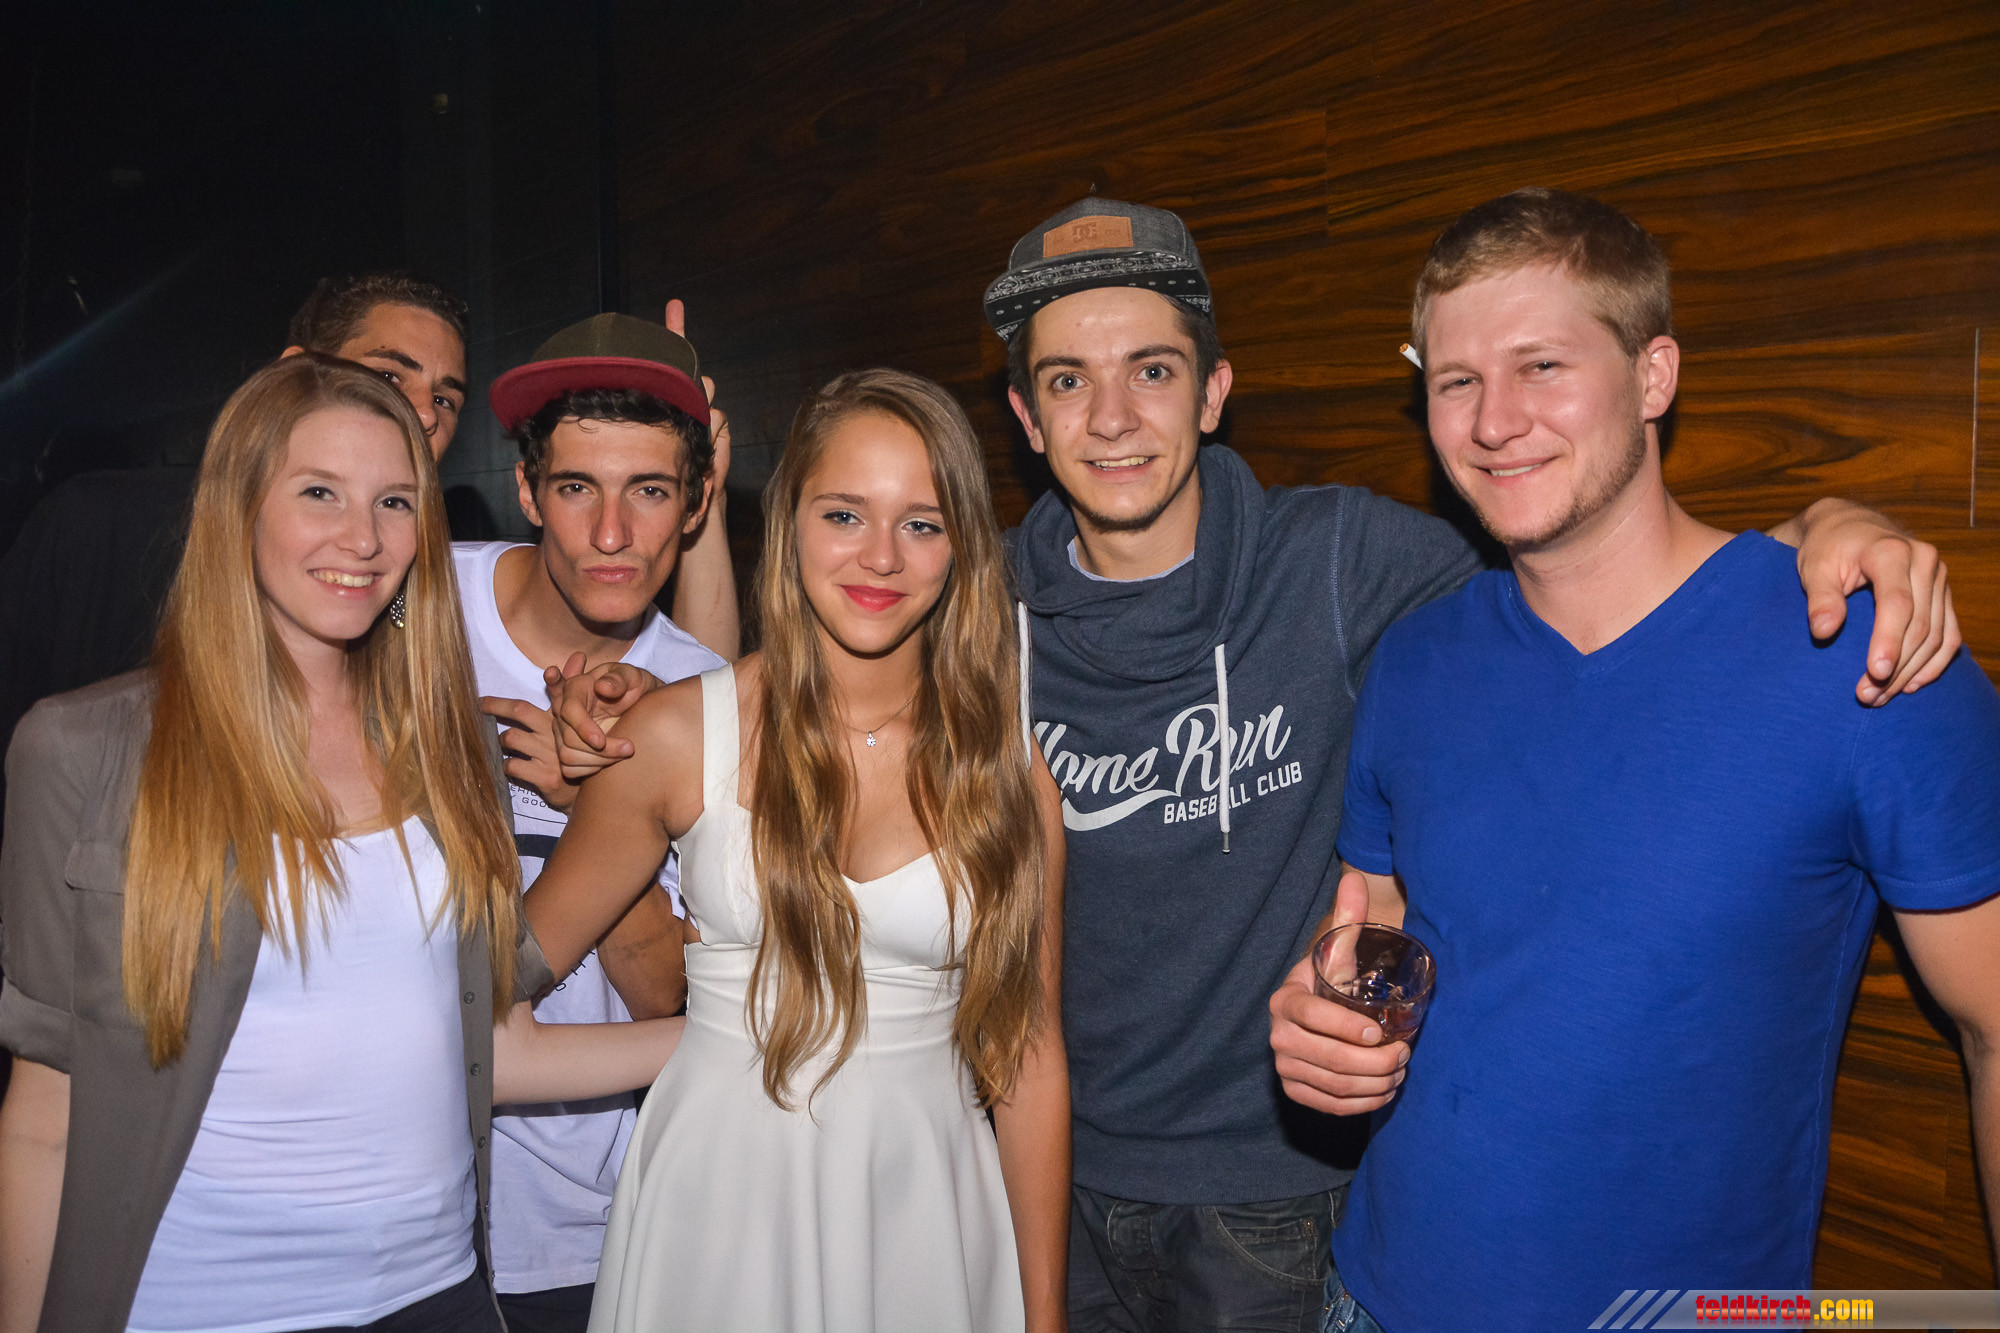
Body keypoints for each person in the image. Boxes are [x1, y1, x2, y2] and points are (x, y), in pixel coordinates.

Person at [546, 198, 1959, 1333]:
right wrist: (644, 709)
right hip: (1030, 1163)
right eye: (1066, 381)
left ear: (1213, 389)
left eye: (1152, 371)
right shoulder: (975, 605)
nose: (1111, 417)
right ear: (1025, 420)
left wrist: (1822, 532)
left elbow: (1584, 561)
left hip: (1270, 1203)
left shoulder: (1343, 564)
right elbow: (794, 680)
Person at [1269, 188, 2000, 1332]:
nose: (1492, 420)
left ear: (1652, 376)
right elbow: (1380, 924)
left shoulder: (1864, 652)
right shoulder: (1412, 658)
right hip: (1372, 1294)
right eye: (1454, 381)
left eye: (1540, 365)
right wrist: (1323, 1012)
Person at [0, 354, 680, 1333]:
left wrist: (751, 1036)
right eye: (319, 492)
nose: (362, 537)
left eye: (394, 502)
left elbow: (494, 1043)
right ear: (239, 508)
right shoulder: (86, 750)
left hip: (440, 1298)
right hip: (200, 1309)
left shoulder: (451, 747)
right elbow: (43, 1118)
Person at [522, 368, 1072, 1332]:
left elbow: (1028, 1059)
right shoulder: (674, 735)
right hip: (716, 1205)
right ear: (788, 524)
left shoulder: (1008, 772)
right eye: (844, 514)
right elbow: (491, 985)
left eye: (922, 522)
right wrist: (708, 1045)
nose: (881, 556)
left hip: (923, 1205)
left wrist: (1046, 1313)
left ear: (962, 546)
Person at [468, 310, 735, 1331]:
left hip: (595, 1227)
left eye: (650, 491)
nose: (612, 535)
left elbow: (669, 993)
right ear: (528, 488)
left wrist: (600, 807)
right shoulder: (411, 604)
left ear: (695, 503)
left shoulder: (707, 697)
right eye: (578, 488)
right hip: (393, 1205)